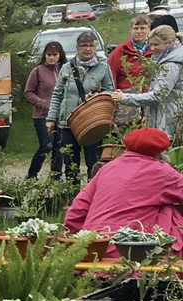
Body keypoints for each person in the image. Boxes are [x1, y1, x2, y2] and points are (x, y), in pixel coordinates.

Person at [65, 127, 183, 255]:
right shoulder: (163, 173)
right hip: (130, 250)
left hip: (94, 246)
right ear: (162, 152)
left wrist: (71, 241)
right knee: (169, 211)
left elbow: (78, 207)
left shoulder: (107, 168)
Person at [47, 31, 113, 181]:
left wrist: (97, 96)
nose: (87, 49)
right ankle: (73, 198)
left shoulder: (103, 67)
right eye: (84, 45)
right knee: (70, 163)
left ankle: (93, 197)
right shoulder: (67, 67)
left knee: (93, 162)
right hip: (67, 123)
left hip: (92, 122)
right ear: (77, 47)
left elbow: (110, 91)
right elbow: (57, 93)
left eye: (91, 45)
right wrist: (51, 118)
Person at [113, 26, 183, 140]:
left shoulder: (171, 65)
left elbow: (158, 95)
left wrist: (124, 98)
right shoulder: (166, 60)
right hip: (164, 120)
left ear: (170, 42)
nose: (152, 48)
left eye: (156, 44)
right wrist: (149, 117)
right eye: (151, 44)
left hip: (169, 123)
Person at [24, 41, 66, 179]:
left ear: (60, 55)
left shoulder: (64, 70)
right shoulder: (37, 71)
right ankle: (32, 174)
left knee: (58, 146)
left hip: (61, 115)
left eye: (55, 55)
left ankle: (56, 175)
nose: (52, 58)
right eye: (49, 54)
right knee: (46, 145)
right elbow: (28, 92)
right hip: (42, 116)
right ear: (45, 55)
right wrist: (42, 103)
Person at [109, 14, 154, 94]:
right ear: (131, 30)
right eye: (136, 28)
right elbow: (111, 75)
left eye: (142, 28)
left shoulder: (154, 49)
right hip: (127, 97)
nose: (139, 31)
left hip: (149, 97)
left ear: (149, 30)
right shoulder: (121, 50)